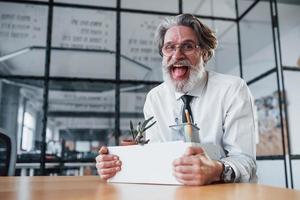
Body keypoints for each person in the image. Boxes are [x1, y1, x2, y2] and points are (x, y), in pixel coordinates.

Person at [96, 13, 257, 186]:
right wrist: (118, 165)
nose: (177, 54)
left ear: (204, 52)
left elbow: (245, 161)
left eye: (187, 46)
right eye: (169, 47)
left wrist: (215, 170)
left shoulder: (232, 89)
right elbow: (156, 158)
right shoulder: (155, 98)